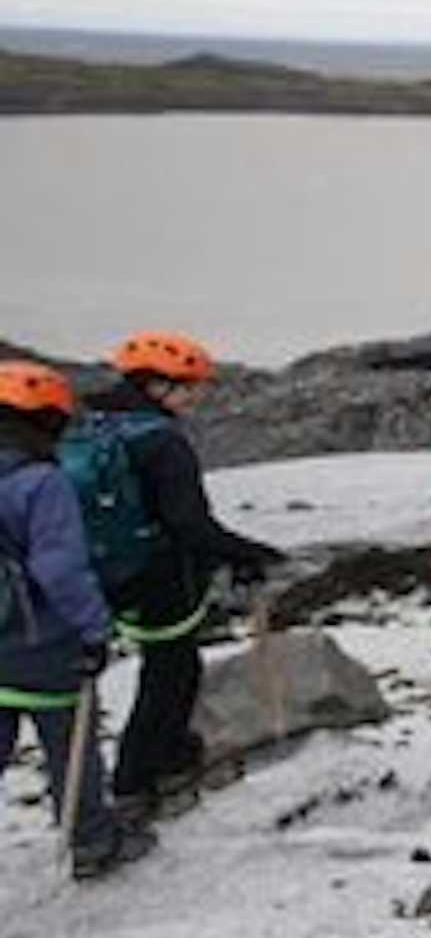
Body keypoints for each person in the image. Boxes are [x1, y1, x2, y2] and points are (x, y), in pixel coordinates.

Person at [69, 330, 284, 816]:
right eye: (188, 385)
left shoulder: (92, 428)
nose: (196, 395)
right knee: (172, 672)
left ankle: (156, 761)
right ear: (156, 386)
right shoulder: (163, 443)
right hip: (163, 575)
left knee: (165, 668)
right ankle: (141, 776)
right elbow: (190, 524)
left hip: (109, 572)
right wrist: (247, 553)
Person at [1, 362, 144, 879]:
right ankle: (89, 841)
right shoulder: (41, 482)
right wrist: (93, 628)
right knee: (70, 742)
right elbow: (59, 567)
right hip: (41, 640)